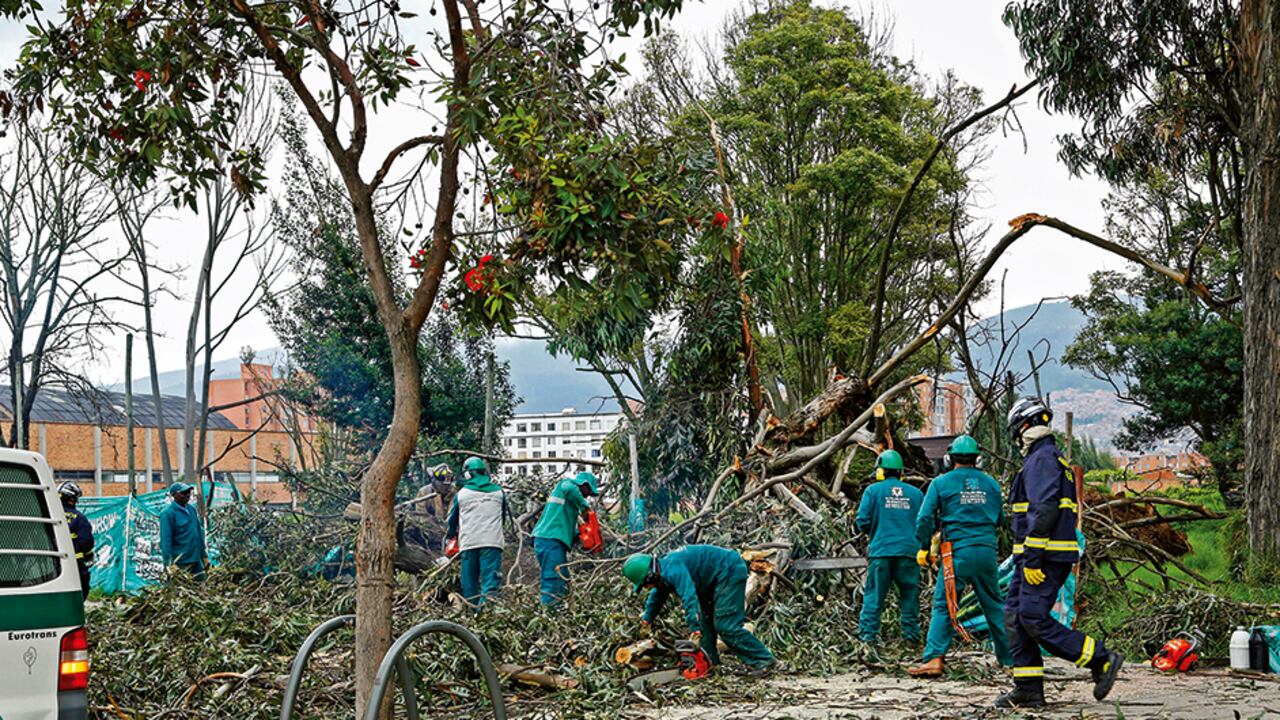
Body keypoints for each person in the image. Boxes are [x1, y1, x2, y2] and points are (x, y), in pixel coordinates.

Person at [998, 397, 1122, 708]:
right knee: (1015, 615)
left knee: (1032, 617)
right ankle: (1027, 688)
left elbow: (1044, 509)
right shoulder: (1047, 457)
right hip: (1033, 556)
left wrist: (1034, 557)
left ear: (1023, 426)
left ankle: (1101, 659)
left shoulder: (1042, 459)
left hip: (1044, 557)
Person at [907, 435, 1012, 677]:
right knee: (994, 605)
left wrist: (924, 547)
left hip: (957, 554)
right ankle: (1008, 659)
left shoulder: (940, 483)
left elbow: (924, 519)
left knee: (944, 605)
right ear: (978, 459)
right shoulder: (992, 484)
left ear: (948, 459)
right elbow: (1001, 520)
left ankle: (934, 659)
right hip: (986, 552)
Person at [623, 545, 775, 677]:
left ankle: (763, 660)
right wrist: (646, 620)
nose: (647, 588)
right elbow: (657, 596)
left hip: (728, 570)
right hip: (710, 580)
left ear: (649, 576)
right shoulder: (663, 571)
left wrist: (694, 629)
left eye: (645, 585)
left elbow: (689, 597)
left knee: (726, 625)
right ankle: (711, 663)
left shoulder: (673, 568)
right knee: (705, 625)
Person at [855, 449, 924, 645]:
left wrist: (875, 533)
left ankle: (868, 640)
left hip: (882, 551)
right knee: (910, 598)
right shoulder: (916, 494)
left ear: (880, 472)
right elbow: (925, 521)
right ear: (901, 472)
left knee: (874, 597)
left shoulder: (872, 491)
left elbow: (862, 521)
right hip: (909, 552)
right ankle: (911, 640)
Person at [445, 457, 508, 606]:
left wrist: (450, 536)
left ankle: (472, 615)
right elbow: (503, 518)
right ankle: (486, 617)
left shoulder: (462, 494)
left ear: (468, 474)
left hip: (469, 543)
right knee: (490, 583)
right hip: (492, 543)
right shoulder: (499, 492)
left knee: (469, 582)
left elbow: (452, 521)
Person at [531, 470, 598, 606]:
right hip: (549, 540)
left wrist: (580, 536)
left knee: (563, 581)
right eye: (588, 492)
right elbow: (569, 488)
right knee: (553, 580)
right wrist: (586, 508)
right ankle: (549, 615)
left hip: (554, 542)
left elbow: (566, 527)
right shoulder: (566, 485)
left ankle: (560, 612)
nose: (586, 496)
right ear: (583, 485)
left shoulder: (570, 505)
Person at [159, 482, 209, 580]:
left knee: (202, 587)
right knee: (179, 590)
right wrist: (169, 564)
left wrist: (204, 555)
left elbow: (198, 534)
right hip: (181, 563)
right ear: (174, 495)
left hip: (196, 560)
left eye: (188, 492)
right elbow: (166, 541)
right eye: (183, 492)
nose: (187, 495)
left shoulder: (191, 510)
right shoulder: (168, 514)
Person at [58, 482, 95, 598]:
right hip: (74, 564)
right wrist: (88, 554)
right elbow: (86, 542)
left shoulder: (48, 515)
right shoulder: (79, 518)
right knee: (80, 590)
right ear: (72, 499)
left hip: (47, 564)